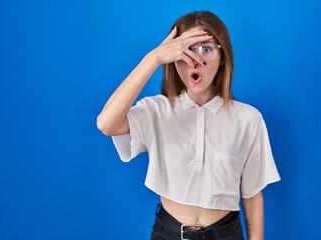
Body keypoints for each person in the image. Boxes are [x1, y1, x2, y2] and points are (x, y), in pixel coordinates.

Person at [97, 10, 280, 240]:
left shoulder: (248, 119)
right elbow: (106, 124)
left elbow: (252, 197)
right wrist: (153, 57)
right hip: (168, 234)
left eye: (207, 48)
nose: (197, 59)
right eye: (187, 49)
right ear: (173, 58)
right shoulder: (156, 110)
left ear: (222, 57)